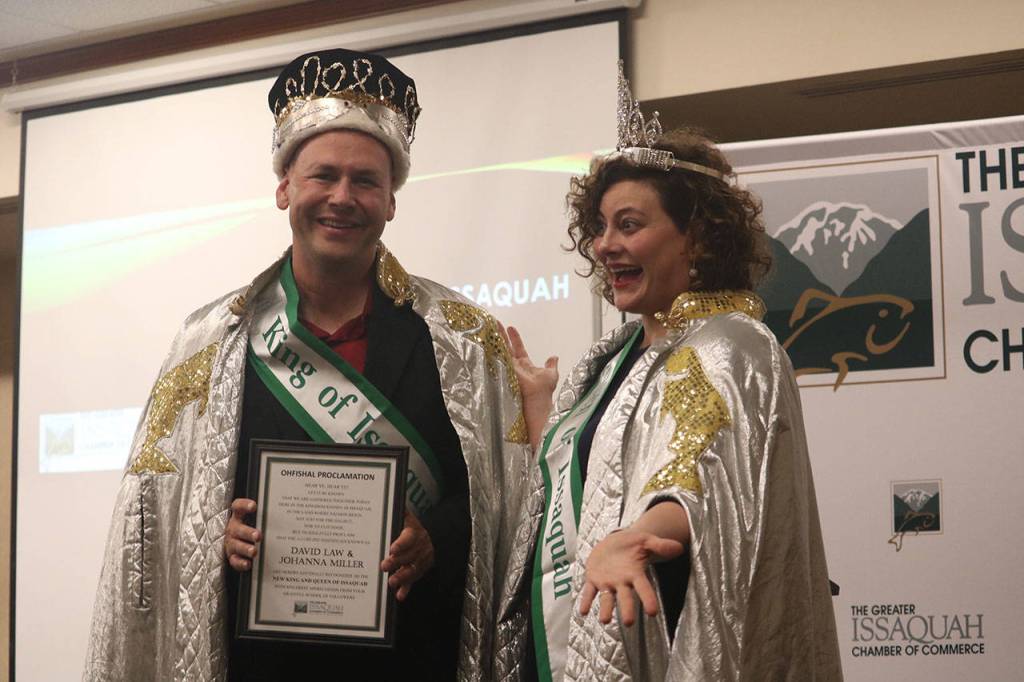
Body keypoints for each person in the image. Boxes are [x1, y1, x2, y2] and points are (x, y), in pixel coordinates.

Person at [83, 48, 531, 682]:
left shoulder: (460, 339)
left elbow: (499, 508)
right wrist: (216, 534)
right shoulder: (211, 341)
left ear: (392, 200)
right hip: (261, 664)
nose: (342, 198)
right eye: (324, 176)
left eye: (367, 181)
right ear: (284, 188)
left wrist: (436, 538)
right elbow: (155, 518)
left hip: (412, 658)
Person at [498, 65, 843, 681]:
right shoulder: (612, 358)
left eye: (629, 224)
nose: (605, 244)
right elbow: (596, 490)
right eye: (599, 227)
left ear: (698, 238)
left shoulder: (728, 343)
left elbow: (701, 464)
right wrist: (545, 414)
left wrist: (641, 535)